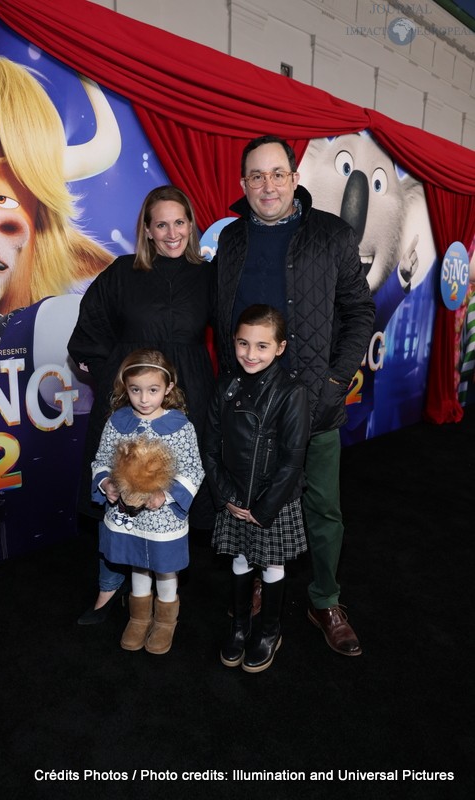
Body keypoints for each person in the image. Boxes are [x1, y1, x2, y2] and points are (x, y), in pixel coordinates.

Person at [214, 135, 375, 656]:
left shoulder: (331, 235)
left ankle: (324, 599)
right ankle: (263, 583)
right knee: (256, 501)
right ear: (243, 184)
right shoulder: (232, 240)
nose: (268, 185)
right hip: (246, 411)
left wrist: (334, 382)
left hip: (314, 406)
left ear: (294, 178)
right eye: (256, 176)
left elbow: (360, 312)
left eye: (277, 173)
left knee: (322, 507)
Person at [68, 185, 216, 624]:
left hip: (189, 395)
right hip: (128, 402)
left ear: (190, 226)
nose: (171, 232)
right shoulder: (121, 272)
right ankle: (109, 586)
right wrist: (117, 379)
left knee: (173, 488)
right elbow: (88, 332)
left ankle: (165, 592)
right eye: (161, 224)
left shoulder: (209, 276)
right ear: (147, 231)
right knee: (119, 485)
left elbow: (230, 337)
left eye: (179, 222)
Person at [203, 305, 310, 673]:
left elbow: (293, 459)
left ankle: (269, 631)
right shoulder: (225, 386)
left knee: (272, 565)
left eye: (262, 346)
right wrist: (226, 496)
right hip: (235, 498)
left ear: (279, 348)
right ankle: (239, 626)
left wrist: (263, 509)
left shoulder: (292, 392)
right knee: (240, 558)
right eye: (243, 344)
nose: (250, 354)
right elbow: (210, 447)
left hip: (272, 502)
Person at [91, 348, 204, 654]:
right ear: (124, 388)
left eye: (153, 390)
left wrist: (164, 495)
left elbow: (194, 469)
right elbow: (101, 460)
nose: (143, 398)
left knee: (165, 569)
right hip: (128, 517)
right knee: (137, 566)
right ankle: (139, 618)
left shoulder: (180, 426)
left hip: (163, 518)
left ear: (168, 388)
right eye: (135, 390)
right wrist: (106, 484)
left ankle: (166, 621)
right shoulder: (118, 422)